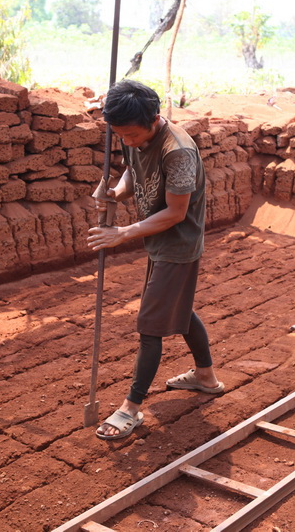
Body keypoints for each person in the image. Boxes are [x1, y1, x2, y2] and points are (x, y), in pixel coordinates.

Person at [87, 79, 223, 440]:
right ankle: (206, 378)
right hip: (158, 239)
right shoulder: (130, 133)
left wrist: (122, 233)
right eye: (120, 135)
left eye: (131, 134)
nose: (127, 141)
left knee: (150, 325)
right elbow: (134, 169)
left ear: (154, 118)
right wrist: (116, 192)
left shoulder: (178, 152)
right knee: (180, 310)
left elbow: (176, 213)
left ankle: (131, 407)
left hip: (178, 244)